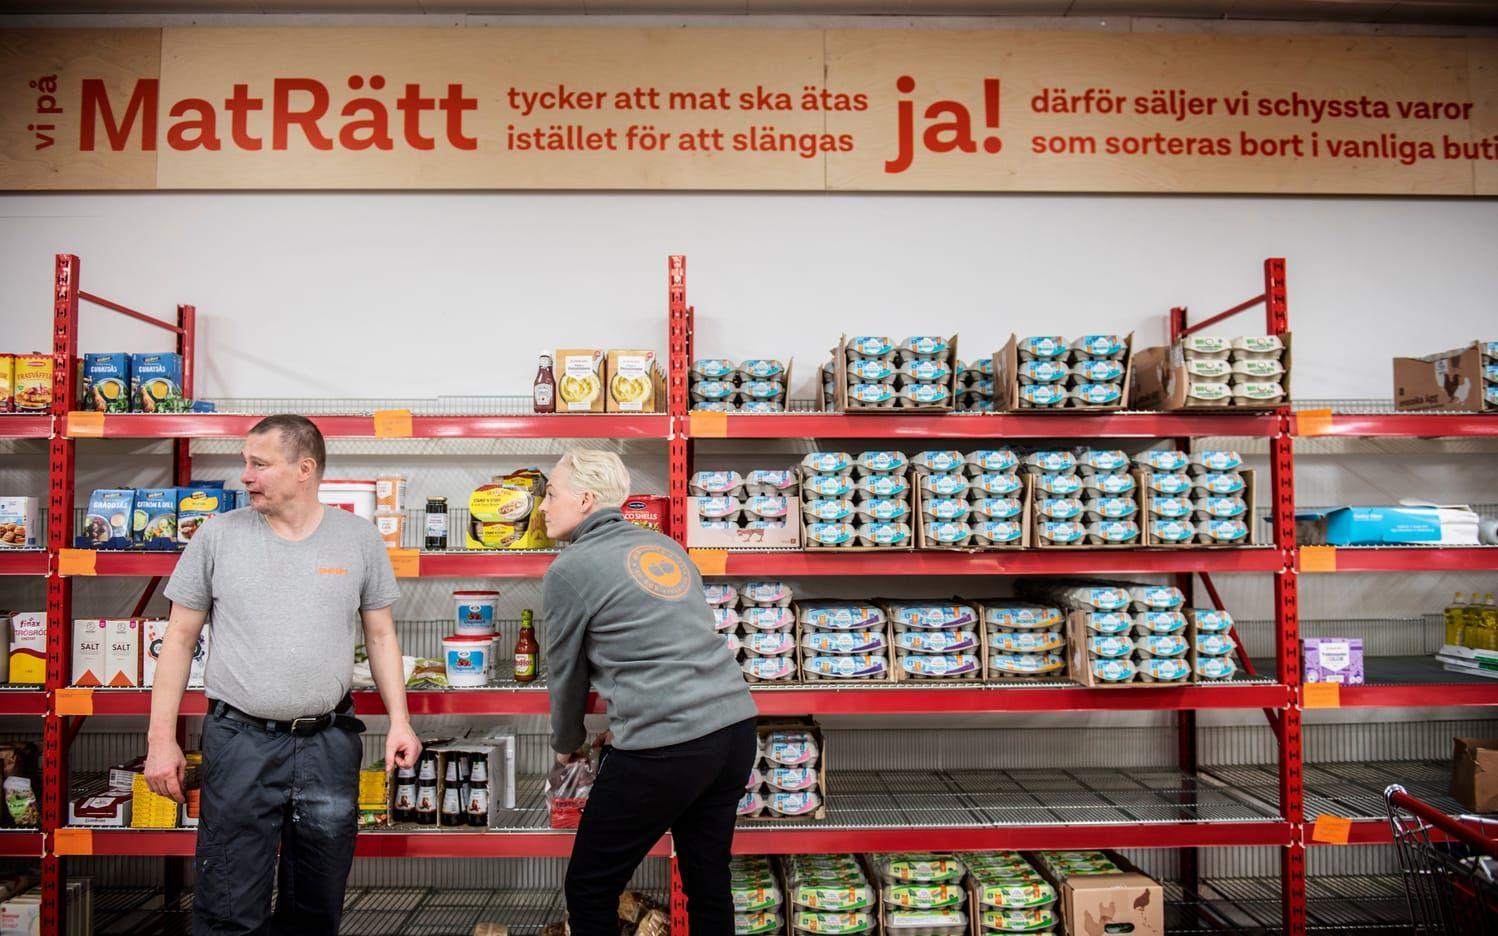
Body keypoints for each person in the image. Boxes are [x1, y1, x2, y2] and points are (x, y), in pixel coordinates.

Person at [143, 414, 422, 936]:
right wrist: (161, 739)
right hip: (240, 740)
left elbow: (382, 636)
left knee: (317, 903)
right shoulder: (217, 536)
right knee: (229, 903)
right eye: (245, 463)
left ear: (304, 469)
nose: (244, 476)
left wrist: (401, 723)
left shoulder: (357, 539)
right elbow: (178, 640)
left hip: (329, 744)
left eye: (259, 464)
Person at [540, 449, 757, 936]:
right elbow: (670, 645)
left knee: (590, 889)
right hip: (734, 729)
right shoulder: (667, 549)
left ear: (586, 500)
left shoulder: (569, 570)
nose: (543, 506)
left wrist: (566, 745)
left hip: (669, 743)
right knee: (707, 881)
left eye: (551, 494)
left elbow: (566, 673)